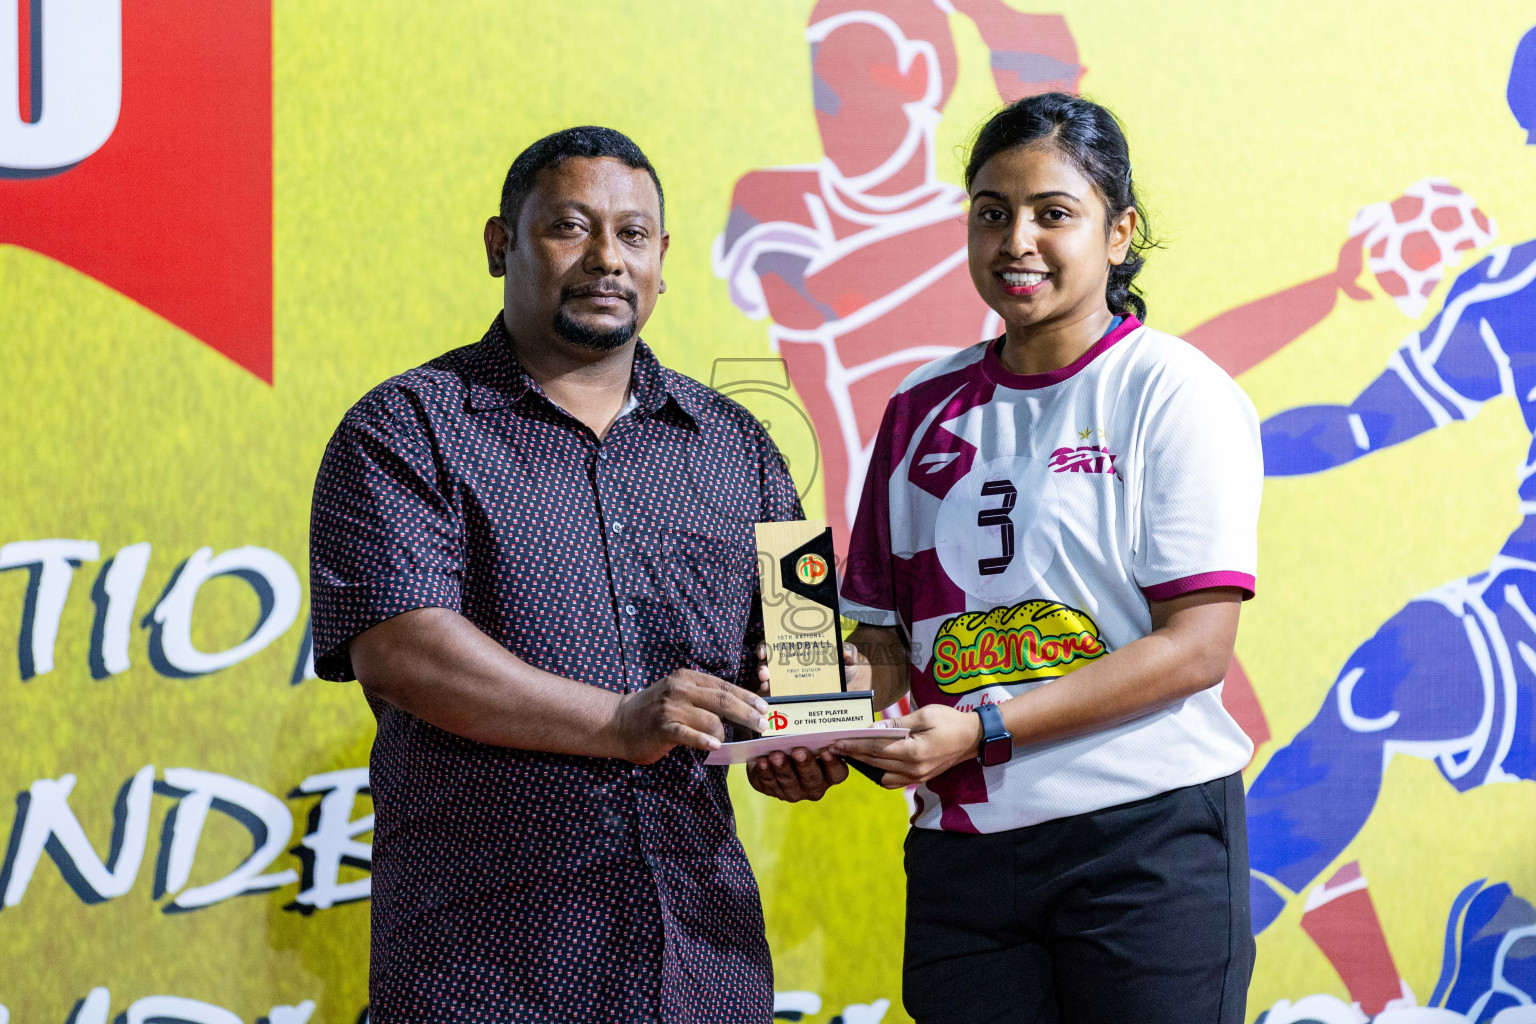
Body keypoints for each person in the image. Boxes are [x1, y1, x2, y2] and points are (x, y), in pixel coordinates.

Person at [750, 93, 1263, 1023]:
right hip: (966, 856)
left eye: (1052, 213)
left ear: (1120, 233)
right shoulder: (918, 405)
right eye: (992, 213)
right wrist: (809, 726)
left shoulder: (1175, 391)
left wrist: (985, 730)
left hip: (1143, 844)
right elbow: (884, 644)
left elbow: (1196, 649)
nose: (1016, 239)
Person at [309, 126, 797, 1024]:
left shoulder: (741, 444)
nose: (606, 259)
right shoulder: (404, 428)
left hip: (701, 962)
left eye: (634, 235)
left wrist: (807, 734)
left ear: (662, 261)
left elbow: (810, 653)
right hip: (490, 962)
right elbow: (402, 649)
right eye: (570, 228)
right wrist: (618, 723)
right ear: (502, 245)